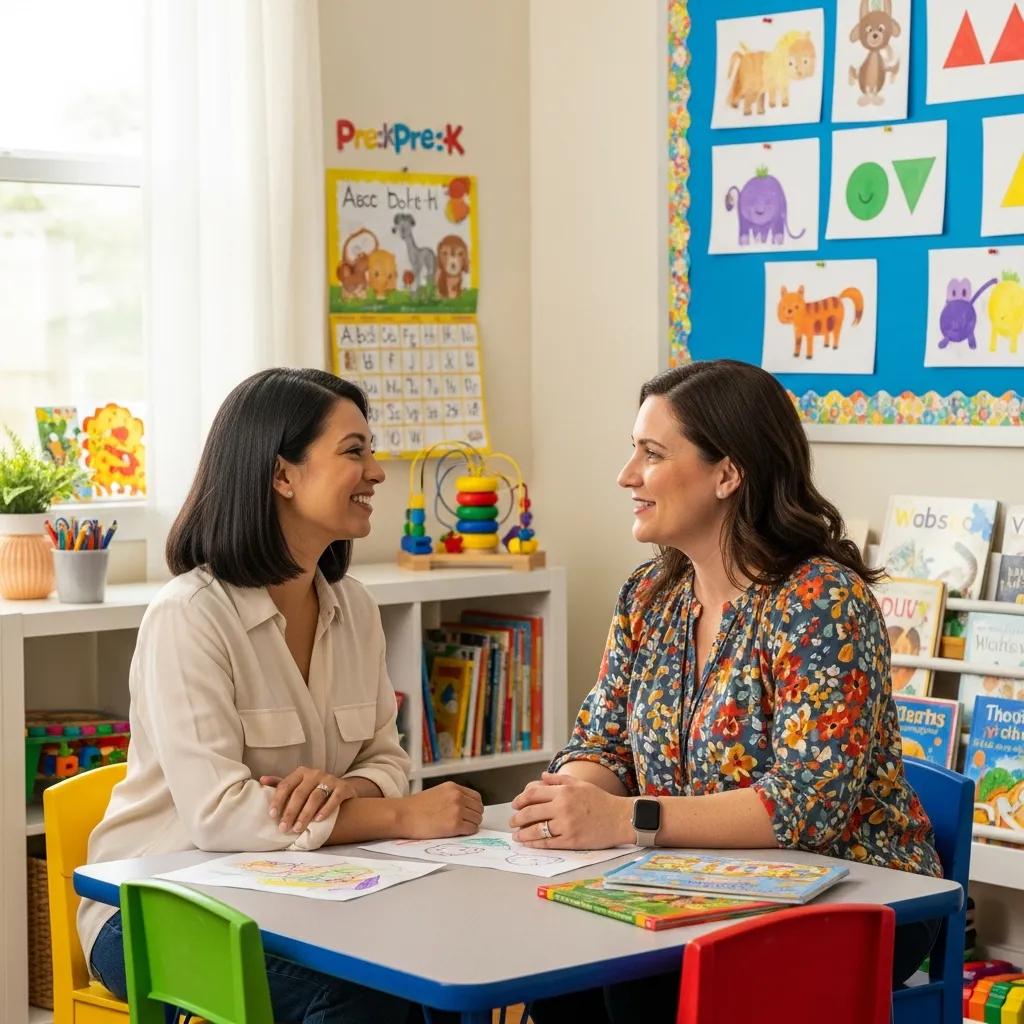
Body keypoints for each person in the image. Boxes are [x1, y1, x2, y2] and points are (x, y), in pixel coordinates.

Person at [509, 360, 941, 1024]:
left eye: (651, 454)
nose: (627, 476)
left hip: (857, 899)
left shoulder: (821, 601)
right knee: (558, 976)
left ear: (728, 474)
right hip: (692, 886)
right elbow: (604, 743)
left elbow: (804, 809)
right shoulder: (649, 596)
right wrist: (570, 796)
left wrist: (625, 821)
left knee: (640, 989)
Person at [81, 369, 482, 1024]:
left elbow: (387, 760)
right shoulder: (188, 616)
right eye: (354, 451)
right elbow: (222, 818)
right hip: (156, 905)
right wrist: (402, 816)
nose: (377, 471)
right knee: (365, 1000)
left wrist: (344, 791)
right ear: (282, 475)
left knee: (437, 973)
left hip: (303, 892)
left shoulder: (351, 607)